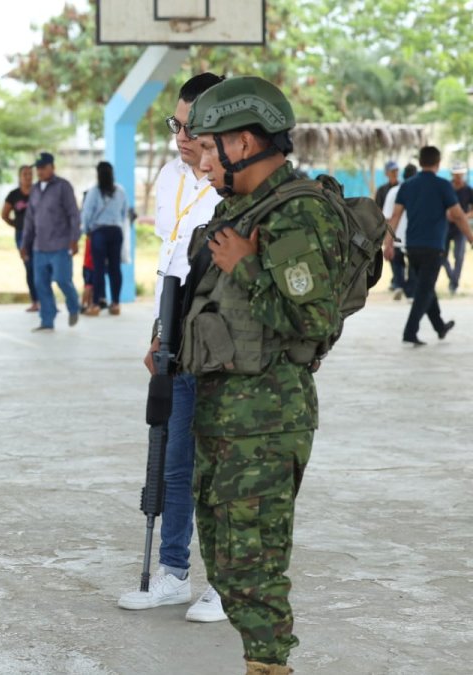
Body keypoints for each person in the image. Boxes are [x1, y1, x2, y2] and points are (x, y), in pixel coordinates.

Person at [181, 76, 346, 674]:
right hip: (222, 413)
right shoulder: (237, 209)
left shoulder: (295, 211)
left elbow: (313, 320)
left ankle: (270, 664)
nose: (199, 162)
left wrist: (249, 267)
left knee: (255, 562)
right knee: (224, 561)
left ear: (244, 141)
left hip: (267, 421)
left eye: (207, 148)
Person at [118, 73, 226, 623]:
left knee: (220, 464)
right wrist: (159, 333)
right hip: (176, 324)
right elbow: (170, 260)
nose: (182, 138)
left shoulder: (234, 185)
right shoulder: (167, 178)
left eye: (193, 128)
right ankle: (174, 574)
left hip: (223, 334)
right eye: (175, 125)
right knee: (174, 462)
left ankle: (226, 583)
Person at [383, 146, 473, 345]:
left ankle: (440, 327)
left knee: (426, 286)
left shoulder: (407, 186)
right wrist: (470, 237)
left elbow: (395, 217)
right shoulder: (443, 186)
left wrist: (387, 244)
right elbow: (458, 215)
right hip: (433, 246)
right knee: (424, 291)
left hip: (412, 247)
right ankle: (410, 331)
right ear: (438, 163)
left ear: (421, 161)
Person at [20, 151, 81, 331]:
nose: (39, 172)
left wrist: (74, 239)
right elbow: (29, 220)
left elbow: (73, 214)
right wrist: (25, 244)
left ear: (52, 167)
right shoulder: (35, 190)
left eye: (43, 168)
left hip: (61, 245)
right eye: (37, 169)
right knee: (41, 284)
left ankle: (73, 306)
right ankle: (47, 321)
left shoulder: (63, 187)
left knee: (63, 280)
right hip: (39, 247)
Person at [81, 161, 129, 316]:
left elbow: (86, 213)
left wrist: (87, 230)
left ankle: (95, 305)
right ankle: (115, 304)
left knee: (98, 269)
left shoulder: (94, 191)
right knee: (115, 268)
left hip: (99, 232)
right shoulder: (120, 191)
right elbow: (124, 213)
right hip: (116, 232)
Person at [2, 165, 39, 311]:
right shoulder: (14, 195)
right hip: (22, 235)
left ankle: (45, 300)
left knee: (41, 267)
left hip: (39, 235)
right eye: (25, 174)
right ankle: (35, 300)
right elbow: (4, 215)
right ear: (19, 176)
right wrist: (16, 224)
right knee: (29, 267)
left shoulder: (39, 192)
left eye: (30, 174)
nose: (28, 177)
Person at [382, 163, 417, 300]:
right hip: (413, 236)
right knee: (413, 264)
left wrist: (387, 241)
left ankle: (399, 285)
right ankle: (410, 292)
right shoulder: (420, 190)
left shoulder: (393, 191)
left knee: (397, 263)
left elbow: (388, 217)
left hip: (396, 235)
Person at [443, 163, 472, 295]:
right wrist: (446, 213)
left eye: (460, 173)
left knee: (459, 256)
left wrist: (464, 216)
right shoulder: (446, 187)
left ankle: (454, 284)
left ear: (464, 174)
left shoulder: (468, 190)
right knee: (442, 254)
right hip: (445, 226)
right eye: (456, 174)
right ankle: (452, 278)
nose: (458, 176)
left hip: (461, 227)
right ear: (452, 174)